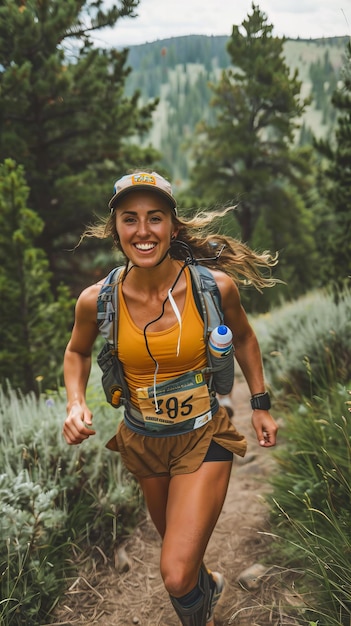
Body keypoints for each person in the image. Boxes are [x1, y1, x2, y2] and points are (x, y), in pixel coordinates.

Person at [63, 170, 278, 626]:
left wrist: (260, 405)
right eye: (130, 219)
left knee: (175, 573)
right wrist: (75, 403)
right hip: (143, 440)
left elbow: (243, 338)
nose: (143, 231)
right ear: (115, 229)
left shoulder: (212, 288)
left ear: (173, 227)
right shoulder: (97, 300)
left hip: (203, 436)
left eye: (155, 218)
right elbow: (76, 352)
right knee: (185, 561)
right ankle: (211, 588)